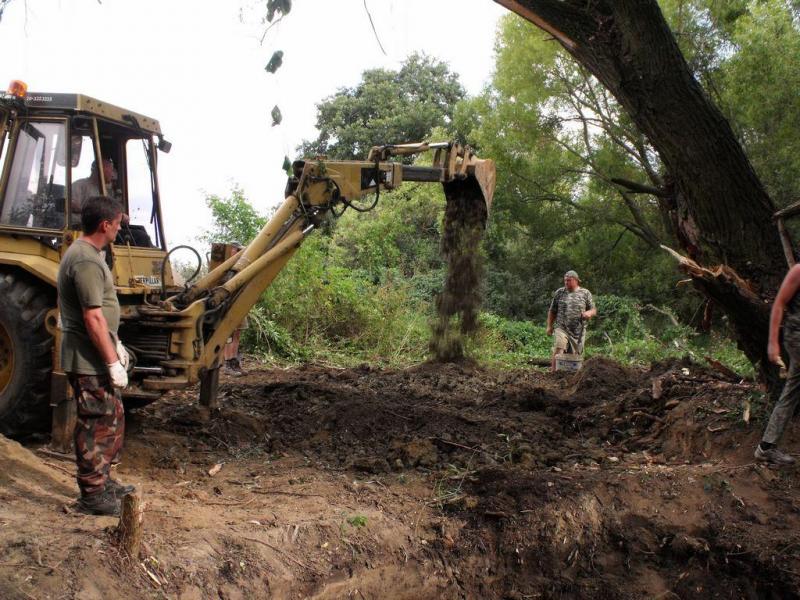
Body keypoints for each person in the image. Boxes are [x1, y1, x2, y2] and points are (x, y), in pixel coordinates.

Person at [57, 195, 135, 516]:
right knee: (95, 424)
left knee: (112, 418)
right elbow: (92, 317)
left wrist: (114, 344)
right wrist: (112, 362)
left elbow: (101, 316)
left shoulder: (91, 254)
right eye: (117, 224)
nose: (119, 229)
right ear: (105, 225)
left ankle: (103, 480)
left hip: (97, 355)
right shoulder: (86, 261)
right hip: (89, 361)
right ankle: (92, 495)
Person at [755, 264, 800, 466]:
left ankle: (766, 447)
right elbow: (779, 303)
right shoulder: (798, 271)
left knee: (791, 392)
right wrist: (773, 343)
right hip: (797, 337)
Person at [546, 270, 596, 372]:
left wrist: (588, 313)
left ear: (576, 280)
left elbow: (593, 309)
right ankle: (553, 373)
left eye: (569, 280)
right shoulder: (560, 292)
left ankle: (570, 377)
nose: (566, 282)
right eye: (565, 280)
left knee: (574, 356)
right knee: (559, 347)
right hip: (562, 327)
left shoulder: (585, 293)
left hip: (578, 331)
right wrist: (549, 326)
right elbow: (552, 310)